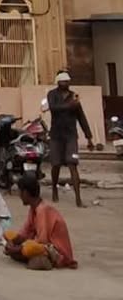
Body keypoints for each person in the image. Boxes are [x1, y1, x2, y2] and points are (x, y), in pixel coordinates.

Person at [4, 176, 77, 269]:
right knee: (8, 235)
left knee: (28, 248)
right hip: (41, 244)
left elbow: (42, 240)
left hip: (57, 251)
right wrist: (12, 242)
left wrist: (17, 248)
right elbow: (25, 232)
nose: (19, 196)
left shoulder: (42, 210)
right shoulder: (33, 208)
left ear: (25, 193)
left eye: (20, 192)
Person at [47, 70, 94, 207]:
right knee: (55, 164)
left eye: (67, 81)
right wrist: (69, 106)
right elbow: (53, 108)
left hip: (71, 136)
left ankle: (78, 199)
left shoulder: (74, 97)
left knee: (72, 164)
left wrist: (89, 137)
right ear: (58, 82)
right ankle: (55, 188)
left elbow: (81, 117)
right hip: (56, 135)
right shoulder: (52, 95)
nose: (65, 83)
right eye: (63, 81)